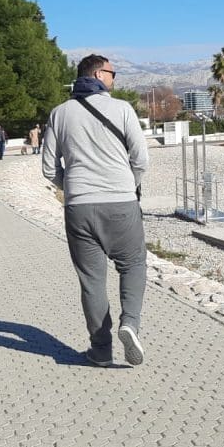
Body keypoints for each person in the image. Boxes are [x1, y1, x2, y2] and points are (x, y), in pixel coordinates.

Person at [43, 54, 149, 367]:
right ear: (99, 74)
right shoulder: (122, 109)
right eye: (113, 73)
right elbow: (141, 159)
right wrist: (128, 185)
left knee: (91, 279)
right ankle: (129, 323)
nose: (115, 78)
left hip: (78, 206)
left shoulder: (60, 113)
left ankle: (100, 351)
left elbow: (49, 168)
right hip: (120, 202)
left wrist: (72, 187)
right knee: (132, 264)